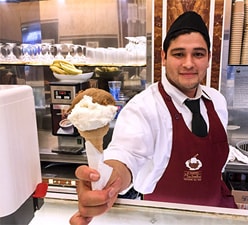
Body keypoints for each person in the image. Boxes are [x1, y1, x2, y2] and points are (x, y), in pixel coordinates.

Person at [70, 11, 236, 225]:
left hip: (215, 215)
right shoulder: (143, 107)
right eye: (178, 54)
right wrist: (107, 181)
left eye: (198, 54)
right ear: (163, 57)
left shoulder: (217, 101)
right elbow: (126, 155)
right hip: (162, 218)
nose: (188, 63)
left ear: (208, 58)